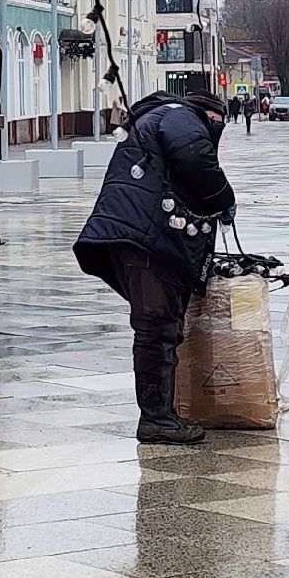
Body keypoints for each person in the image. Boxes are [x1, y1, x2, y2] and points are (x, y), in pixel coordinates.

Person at [73, 89, 236, 445]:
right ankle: (157, 418)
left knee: (159, 323)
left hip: (138, 233)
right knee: (157, 324)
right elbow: (194, 157)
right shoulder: (180, 115)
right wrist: (224, 198)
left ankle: (162, 413)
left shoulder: (162, 116)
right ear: (211, 116)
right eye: (219, 125)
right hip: (144, 236)